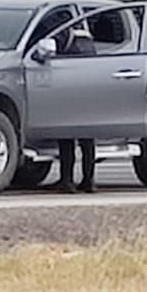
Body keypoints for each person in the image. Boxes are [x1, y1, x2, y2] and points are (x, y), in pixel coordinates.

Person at [55, 22, 97, 193]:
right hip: (88, 89)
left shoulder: (64, 35)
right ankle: (89, 180)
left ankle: (67, 180)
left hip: (69, 89)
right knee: (87, 140)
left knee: (66, 138)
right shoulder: (88, 39)